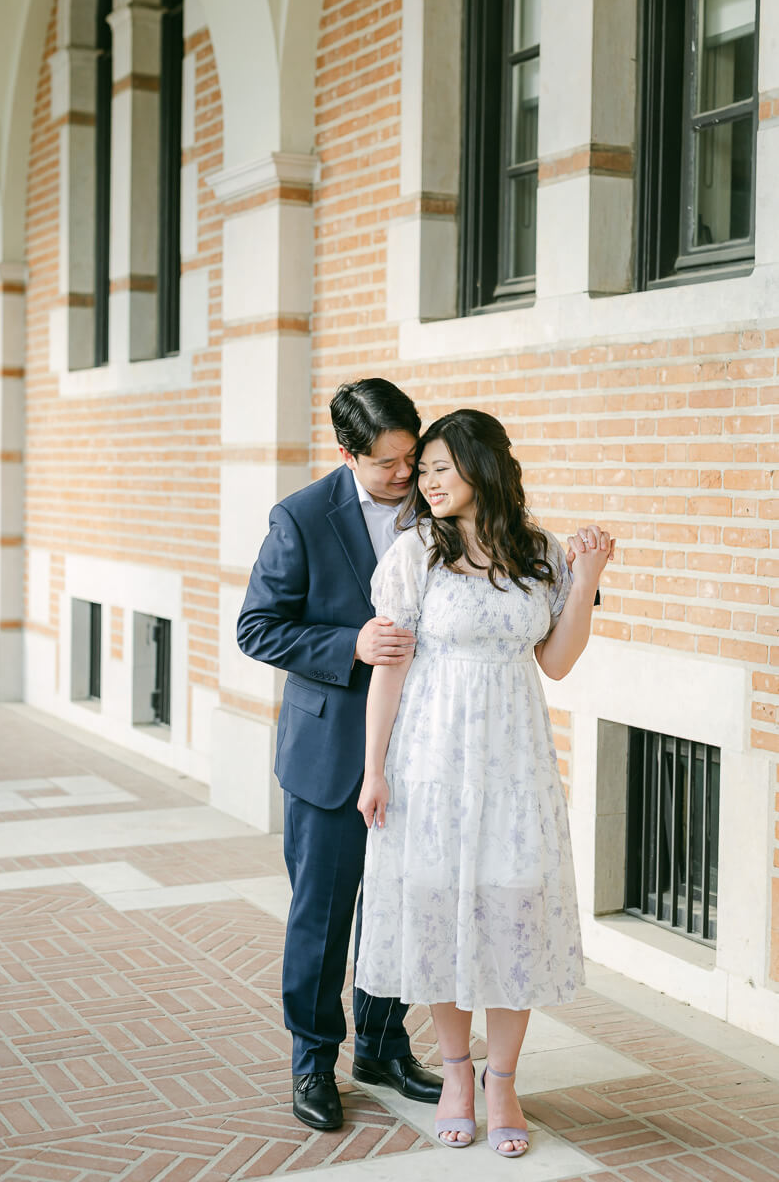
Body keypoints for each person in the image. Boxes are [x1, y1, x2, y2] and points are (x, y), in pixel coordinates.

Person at [355, 409, 614, 1157]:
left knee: (510, 913)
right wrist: (374, 769)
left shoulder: (540, 552)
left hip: (515, 763)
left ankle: (503, 1081)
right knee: (439, 908)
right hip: (432, 762)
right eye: (423, 471)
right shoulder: (415, 556)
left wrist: (587, 578)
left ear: (483, 468)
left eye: (440, 468)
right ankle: (459, 1074)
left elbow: (557, 661)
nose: (426, 482)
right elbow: (391, 667)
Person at [236, 378, 443, 1132]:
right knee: (322, 919)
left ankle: (385, 1047)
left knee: (403, 907)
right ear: (348, 453)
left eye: (411, 458)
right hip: (330, 754)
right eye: (387, 462)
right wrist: (347, 644)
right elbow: (257, 626)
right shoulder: (299, 518)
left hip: (424, 751)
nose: (404, 475)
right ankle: (313, 1064)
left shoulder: (441, 499)